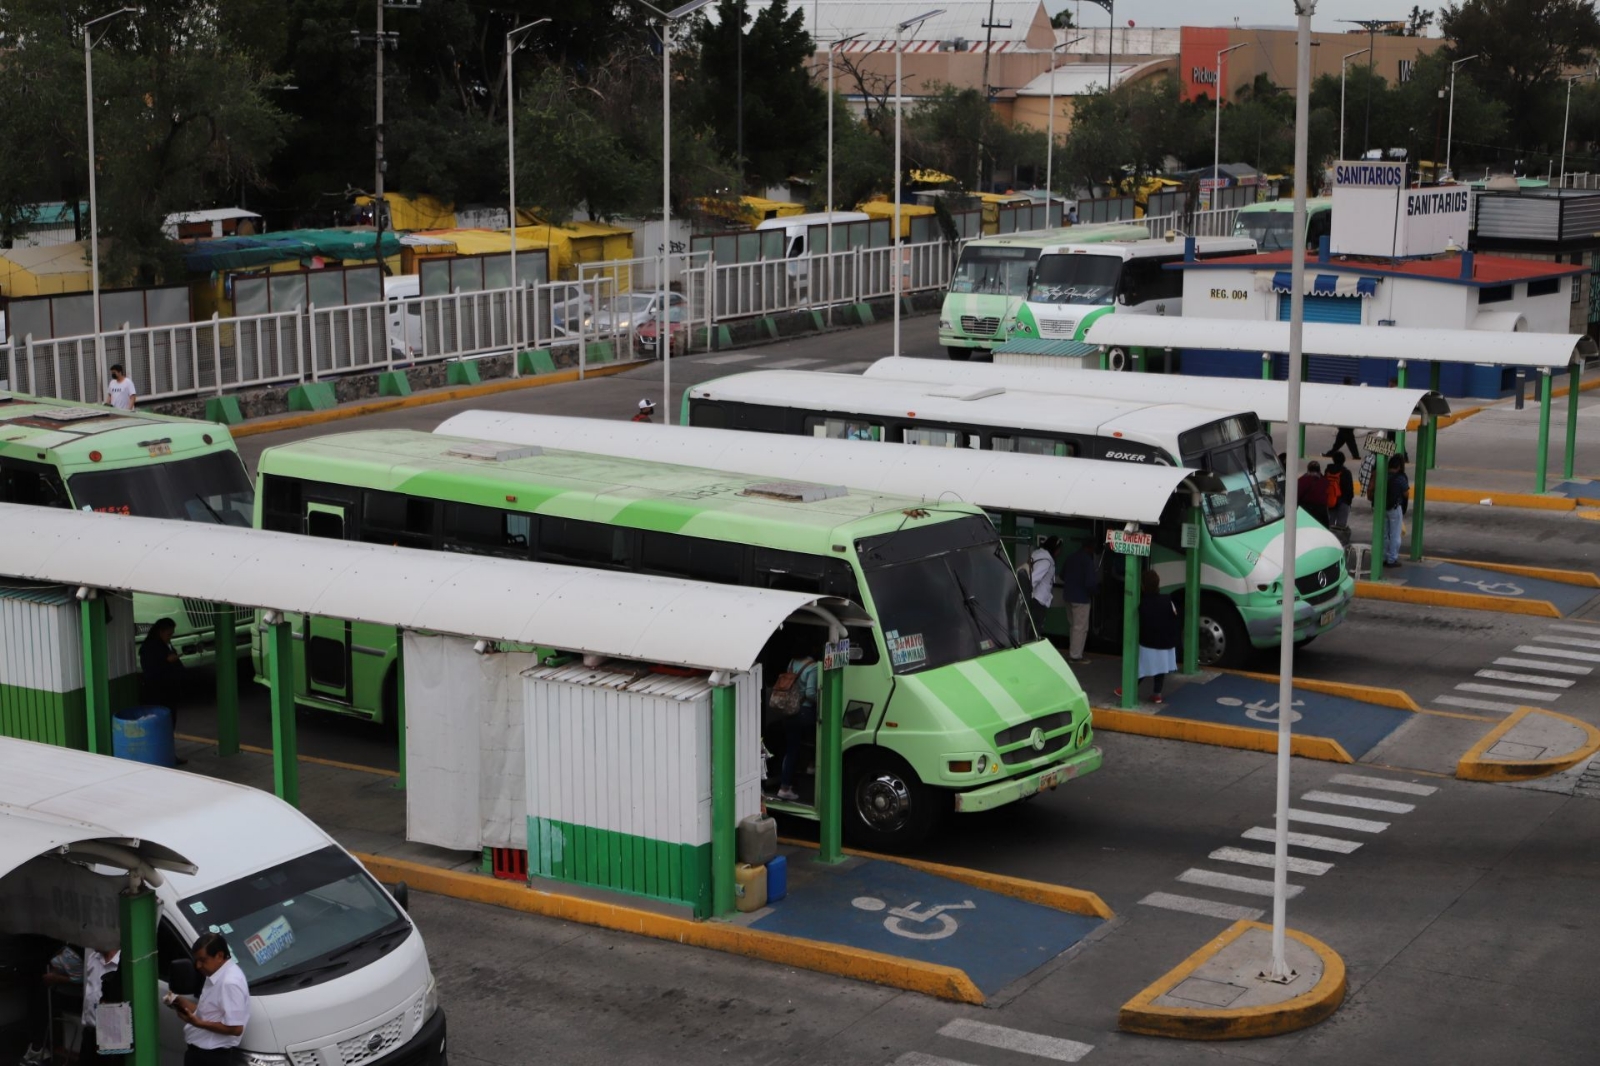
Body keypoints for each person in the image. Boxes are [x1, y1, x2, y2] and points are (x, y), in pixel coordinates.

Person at [171, 933, 249, 1064]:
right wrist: (184, 1004)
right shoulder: (215, 974)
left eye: (203, 960)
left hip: (211, 1058)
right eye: (197, 961)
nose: (198, 966)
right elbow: (212, 1011)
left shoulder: (229, 982)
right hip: (200, 1054)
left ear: (219, 956)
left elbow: (236, 1028)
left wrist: (198, 1023)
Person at [1116, 570, 1179, 705]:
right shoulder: (1168, 600)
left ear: (1142, 586)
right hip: (1167, 644)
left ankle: (1127, 689)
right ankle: (1157, 694)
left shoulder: (1141, 604)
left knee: (1141, 668)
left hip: (1148, 643)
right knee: (1160, 669)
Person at [775, 653, 819, 802]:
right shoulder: (813, 667)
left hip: (789, 711)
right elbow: (811, 693)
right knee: (817, 738)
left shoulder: (792, 662)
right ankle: (811, 766)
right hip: (804, 712)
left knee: (791, 749)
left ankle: (785, 786)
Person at [1058, 540, 1099, 664]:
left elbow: (1062, 575)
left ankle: (1074, 652)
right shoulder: (1087, 561)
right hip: (1081, 598)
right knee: (1080, 628)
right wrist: (1096, 592)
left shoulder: (1071, 557)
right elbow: (1090, 583)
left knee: (1073, 626)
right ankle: (1075, 656)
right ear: (1091, 548)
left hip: (1068, 596)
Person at [1027, 536, 1063, 635]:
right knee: (1035, 631)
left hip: (1034, 599)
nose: (1059, 552)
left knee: (1031, 630)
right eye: (1059, 549)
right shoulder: (1046, 562)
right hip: (1038, 601)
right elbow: (1032, 579)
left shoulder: (1037, 554)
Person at [1384, 456, 1410, 568]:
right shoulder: (1400, 478)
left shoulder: (1384, 474)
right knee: (1395, 534)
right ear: (1399, 466)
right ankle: (1392, 559)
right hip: (1394, 508)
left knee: (1385, 535)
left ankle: (1384, 557)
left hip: (1383, 508)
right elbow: (1406, 493)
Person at [1328, 377, 1361, 460]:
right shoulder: (1352, 391)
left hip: (1343, 418)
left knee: (1343, 439)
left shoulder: (1341, 390)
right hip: (1349, 419)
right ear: (1350, 382)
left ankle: (1330, 453)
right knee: (1347, 439)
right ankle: (1355, 455)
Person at [1325, 451, 1354, 532]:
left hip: (1330, 500)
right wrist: (1349, 502)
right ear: (1343, 460)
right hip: (1343, 501)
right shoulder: (1346, 472)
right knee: (1341, 526)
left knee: (1330, 524)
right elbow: (1350, 490)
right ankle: (1339, 541)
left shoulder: (1327, 471)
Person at [1296, 459, 1330, 527]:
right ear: (1319, 470)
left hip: (1306, 510)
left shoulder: (1302, 480)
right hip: (1321, 510)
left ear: (1308, 469)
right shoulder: (1324, 481)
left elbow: (1297, 495)